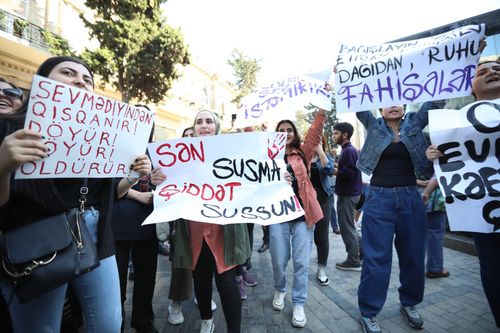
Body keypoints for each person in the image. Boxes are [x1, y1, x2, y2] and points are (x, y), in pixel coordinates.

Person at [0, 56, 152, 332]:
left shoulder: (103, 138)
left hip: (96, 236)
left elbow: (109, 194)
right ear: (43, 82)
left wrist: (132, 176)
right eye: (68, 73)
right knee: (40, 327)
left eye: (87, 80)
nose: (79, 81)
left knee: (108, 324)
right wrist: (2, 166)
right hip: (38, 243)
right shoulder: (10, 130)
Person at [354, 99, 445, 333]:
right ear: (379, 109)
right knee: (376, 260)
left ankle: (409, 302)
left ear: (405, 107)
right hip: (378, 200)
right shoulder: (373, 125)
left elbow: (435, 101)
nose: (393, 106)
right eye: (386, 103)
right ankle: (368, 312)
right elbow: (355, 100)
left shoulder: (415, 123)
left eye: (398, 102)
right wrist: (341, 77)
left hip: (410, 198)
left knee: (413, 256)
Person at [426, 55, 500, 328]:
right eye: (483, 71)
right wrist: (433, 154)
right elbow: (449, 161)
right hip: (483, 213)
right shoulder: (454, 126)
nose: (492, 72)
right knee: (492, 268)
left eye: (497, 69)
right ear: (472, 88)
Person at [172, 110, 251, 333]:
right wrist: (161, 179)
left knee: (227, 284)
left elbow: (255, 179)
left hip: (224, 232)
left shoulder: (234, 154)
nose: (204, 125)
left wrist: (275, 177)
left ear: (216, 127)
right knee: (201, 280)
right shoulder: (179, 158)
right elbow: (169, 188)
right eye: (199, 121)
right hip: (194, 231)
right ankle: (207, 319)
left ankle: (234, 330)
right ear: (194, 129)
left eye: (209, 121)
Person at [270, 108, 326, 328]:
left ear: (294, 133)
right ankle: (280, 288)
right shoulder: (267, 155)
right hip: (277, 214)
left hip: (303, 214)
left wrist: (321, 109)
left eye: (289, 129)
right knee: (279, 259)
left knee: (302, 262)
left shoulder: (303, 152)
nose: (285, 133)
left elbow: (315, 130)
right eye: (281, 130)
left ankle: (299, 302)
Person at [160, 126, 216, 326]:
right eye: (187, 137)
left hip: (204, 222)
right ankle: (175, 303)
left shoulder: (209, 160)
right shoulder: (175, 163)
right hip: (182, 222)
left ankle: (202, 297)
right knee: (181, 264)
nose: (192, 139)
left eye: (194, 136)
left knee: (204, 265)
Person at [112, 114, 164, 333]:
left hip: (147, 224)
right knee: (117, 281)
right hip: (118, 225)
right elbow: (108, 185)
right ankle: (116, 322)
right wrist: (138, 195)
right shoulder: (113, 147)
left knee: (146, 277)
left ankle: (143, 321)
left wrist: (157, 184)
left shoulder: (159, 151)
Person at [332, 122, 363, 271]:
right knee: (349, 227)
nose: (333, 136)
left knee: (347, 228)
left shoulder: (349, 151)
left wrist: (334, 171)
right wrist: (337, 168)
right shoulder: (347, 150)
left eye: (336, 133)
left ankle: (353, 260)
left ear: (345, 135)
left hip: (348, 195)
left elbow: (350, 174)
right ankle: (362, 253)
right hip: (349, 193)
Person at [310, 134, 335, 285]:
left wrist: (320, 152)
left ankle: (321, 267)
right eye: (312, 139)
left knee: (321, 234)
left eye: (319, 140)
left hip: (323, 198)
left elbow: (330, 170)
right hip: (306, 199)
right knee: (303, 232)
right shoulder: (302, 156)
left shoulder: (325, 157)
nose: (315, 142)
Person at [419, 176, 449, 278]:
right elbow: (438, 176)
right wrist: (427, 190)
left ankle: (414, 268)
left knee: (416, 233)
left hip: (413, 195)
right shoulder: (436, 158)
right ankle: (434, 268)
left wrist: (420, 182)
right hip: (434, 198)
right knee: (435, 232)